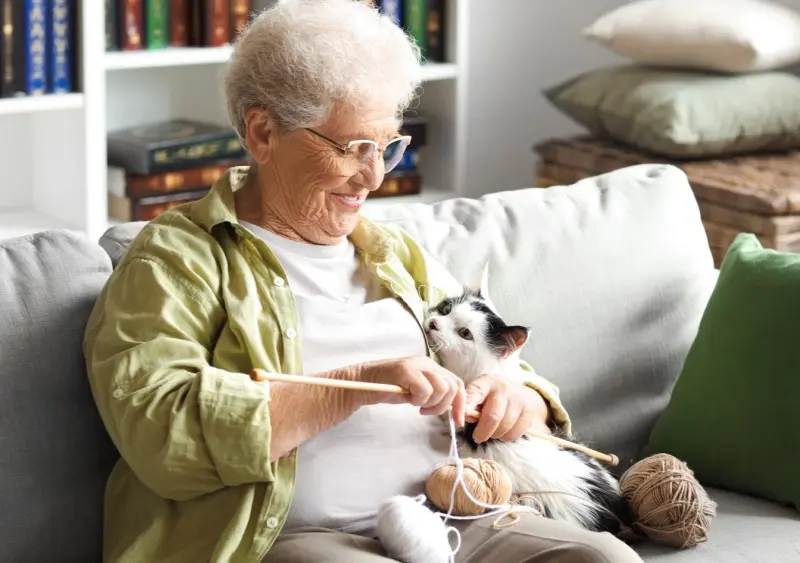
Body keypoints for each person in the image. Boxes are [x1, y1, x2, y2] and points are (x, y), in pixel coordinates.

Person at [83, 1, 644, 562]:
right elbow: (160, 431)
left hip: (456, 514)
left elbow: (509, 369)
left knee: (605, 558)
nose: (375, 176)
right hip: (298, 538)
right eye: (353, 148)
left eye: (388, 147)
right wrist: (352, 384)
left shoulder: (394, 252)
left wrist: (515, 397)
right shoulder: (176, 261)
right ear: (263, 133)